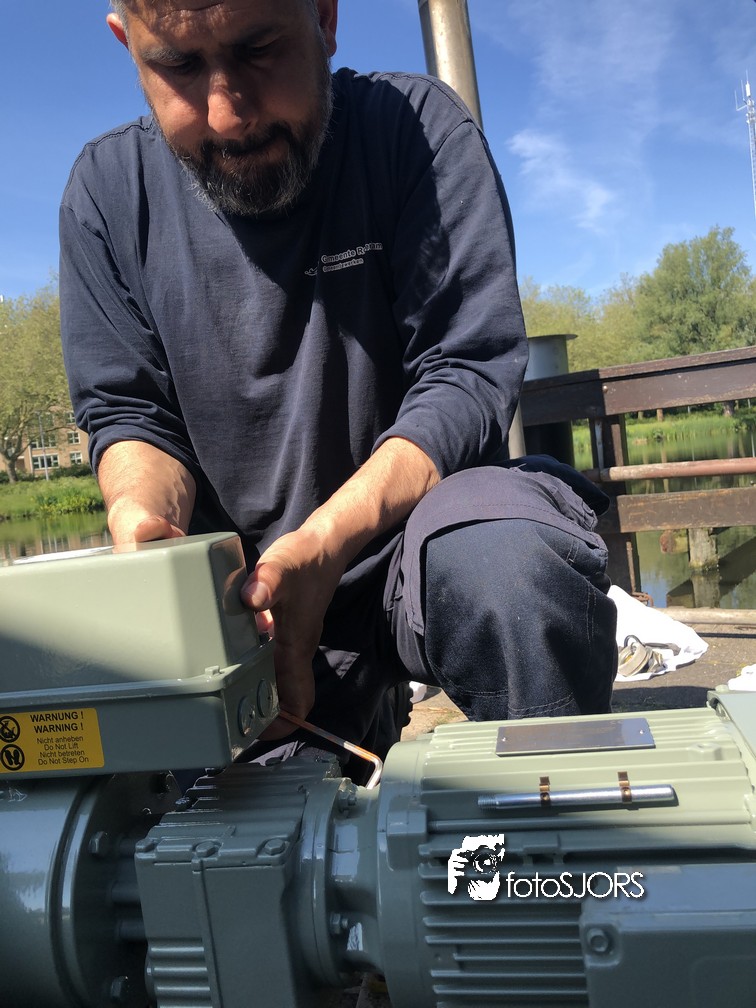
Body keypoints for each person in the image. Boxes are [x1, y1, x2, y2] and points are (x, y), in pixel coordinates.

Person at [59, 0, 617, 776]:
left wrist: (325, 542)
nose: (227, 115)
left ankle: (558, 830)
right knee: (253, 822)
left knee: (511, 571)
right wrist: (141, 515)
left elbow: (465, 373)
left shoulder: (416, 130)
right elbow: (129, 413)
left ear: (323, 17)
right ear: (129, 47)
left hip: (420, 543)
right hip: (258, 600)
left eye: (258, 48)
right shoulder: (105, 192)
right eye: (179, 66)